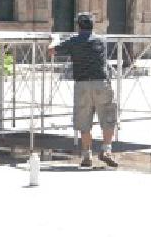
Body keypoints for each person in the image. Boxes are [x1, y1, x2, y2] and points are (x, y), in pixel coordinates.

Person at [48, 12, 119, 168]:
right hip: (101, 83)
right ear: (92, 25)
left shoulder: (73, 41)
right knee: (108, 116)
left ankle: (87, 155)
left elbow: (52, 51)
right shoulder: (101, 40)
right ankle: (106, 149)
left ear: (78, 26)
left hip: (82, 85)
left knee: (84, 121)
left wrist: (55, 39)